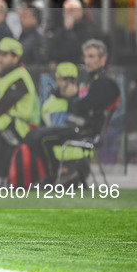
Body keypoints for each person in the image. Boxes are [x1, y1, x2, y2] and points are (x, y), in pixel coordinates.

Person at [24, 40, 120, 182]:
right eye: (86, 57)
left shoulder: (104, 83)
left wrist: (72, 100)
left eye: (92, 56)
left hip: (86, 130)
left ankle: (54, 177)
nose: (87, 61)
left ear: (103, 58)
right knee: (33, 135)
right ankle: (59, 173)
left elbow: (83, 108)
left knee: (41, 138)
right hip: (77, 126)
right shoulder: (91, 81)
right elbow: (81, 107)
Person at [0, 38, 39, 179]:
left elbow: (0, 107)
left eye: (4, 55)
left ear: (16, 57)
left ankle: (4, 180)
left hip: (17, 128)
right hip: (0, 127)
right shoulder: (2, 78)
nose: (0, 59)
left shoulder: (20, 76)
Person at [48, 0, 94, 64]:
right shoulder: (59, 29)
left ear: (80, 12)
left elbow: (78, 52)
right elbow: (52, 52)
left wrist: (69, 30)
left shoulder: (87, 30)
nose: (68, 14)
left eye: (71, 10)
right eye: (66, 11)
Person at [18, 1, 48, 66]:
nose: (21, 20)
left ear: (34, 18)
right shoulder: (22, 35)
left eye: (24, 16)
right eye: (20, 16)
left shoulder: (38, 37)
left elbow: (40, 62)